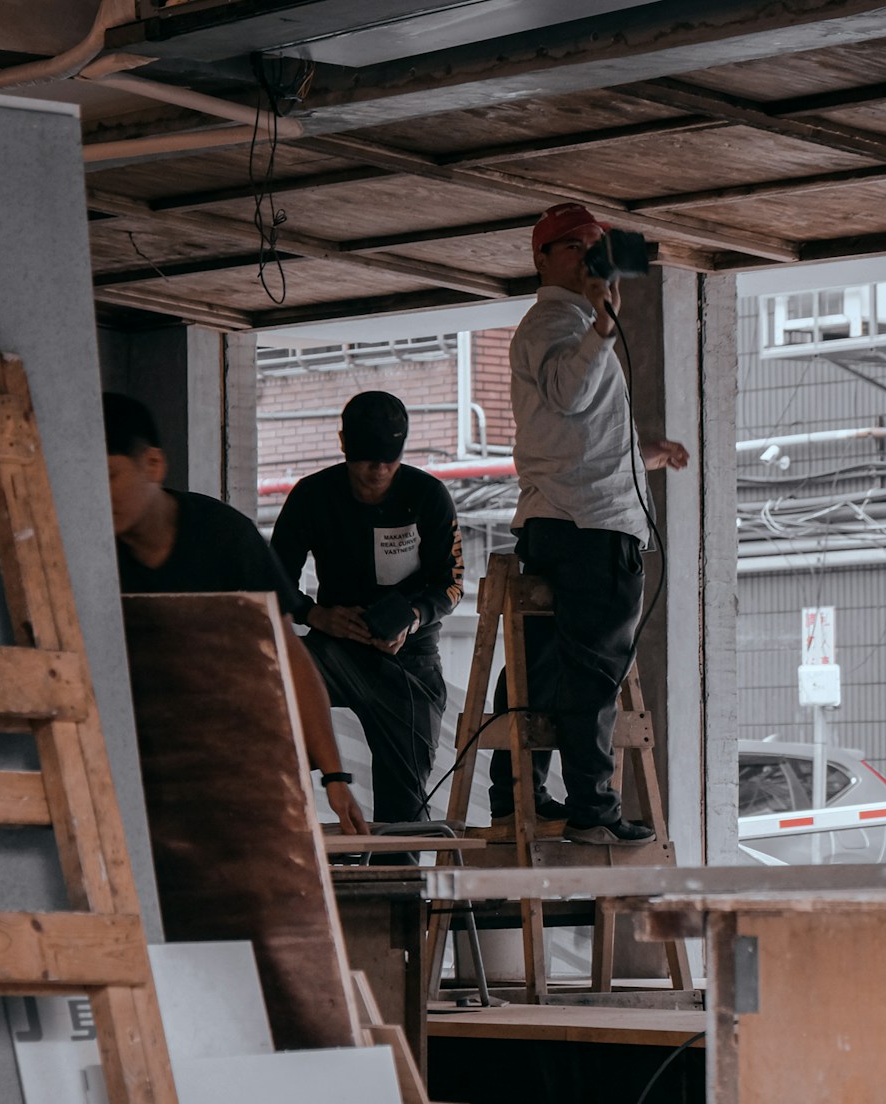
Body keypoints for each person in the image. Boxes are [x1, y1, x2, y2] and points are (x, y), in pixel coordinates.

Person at [489, 202, 689, 846]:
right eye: (572, 245)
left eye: (596, 245)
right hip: (590, 527)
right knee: (594, 672)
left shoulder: (571, 322)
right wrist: (604, 327)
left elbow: (571, 425)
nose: (588, 254)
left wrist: (643, 452)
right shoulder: (558, 322)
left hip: (562, 519)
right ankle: (592, 810)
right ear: (541, 258)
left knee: (540, 669)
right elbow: (569, 393)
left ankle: (516, 795)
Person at [104, 392, 368, 834]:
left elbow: (289, 657)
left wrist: (335, 776)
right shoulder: (87, 552)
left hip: (237, 759)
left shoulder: (224, 537)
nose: (99, 495)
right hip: (142, 766)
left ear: (152, 464)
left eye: (110, 475)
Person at [271, 391, 464, 824]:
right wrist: (314, 614)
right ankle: (282, 832)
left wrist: (412, 619)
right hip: (333, 647)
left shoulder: (428, 496)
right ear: (343, 444)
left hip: (408, 658)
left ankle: (401, 887)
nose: (377, 471)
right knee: (269, 696)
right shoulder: (312, 496)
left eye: (388, 461)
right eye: (366, 461)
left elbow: (450, 585)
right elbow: (273, 579)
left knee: (405, 804)